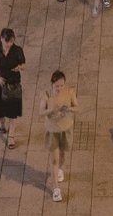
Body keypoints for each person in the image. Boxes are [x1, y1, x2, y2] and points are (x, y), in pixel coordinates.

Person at [41, 70, 78, 203]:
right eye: (57, 86)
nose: (59, 88)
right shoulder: (47, 95)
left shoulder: (70, 92)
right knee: (54, 160)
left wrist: (68, 108)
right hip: (53, 131)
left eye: (61, 85)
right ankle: (55, 188)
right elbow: (40, 112)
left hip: (66, 129)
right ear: (52, 84)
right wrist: (50, 110)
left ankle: (58, 171)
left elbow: (77, 107)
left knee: (62, 155)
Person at [0, 27, 26, 147]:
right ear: (1, 39)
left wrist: (19, 68)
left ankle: (11, 137)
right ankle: (2, 124)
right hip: (0, 83)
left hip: (13, 82)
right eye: (6, 42)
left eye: (11, 42)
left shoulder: (17, 50)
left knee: (12, 111)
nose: (9, 45)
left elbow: (23, 65)